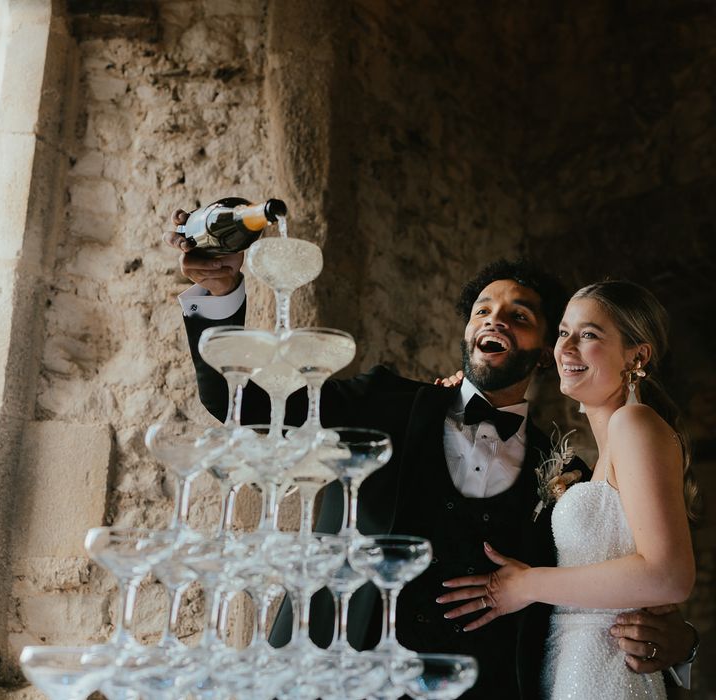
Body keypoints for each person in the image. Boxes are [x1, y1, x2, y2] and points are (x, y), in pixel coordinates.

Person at [163, 212, 698, 698]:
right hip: (338, 677)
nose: (495, 320)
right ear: (467, 331)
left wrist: (681, 641)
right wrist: (220, 296)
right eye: (483, 309)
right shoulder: (383, 403)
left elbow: (603, 591)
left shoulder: (565, 476)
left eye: (520, 316)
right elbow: (250, 405)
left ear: (542, 355)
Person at [437, 280, 698, 698]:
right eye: (563, 333)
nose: (567, 347)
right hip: (572, 668)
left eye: (589, 334)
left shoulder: (634, 424)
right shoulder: (595, 457)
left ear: (637, 355)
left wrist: (526, 585)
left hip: (606, 675)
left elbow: (668, 576)